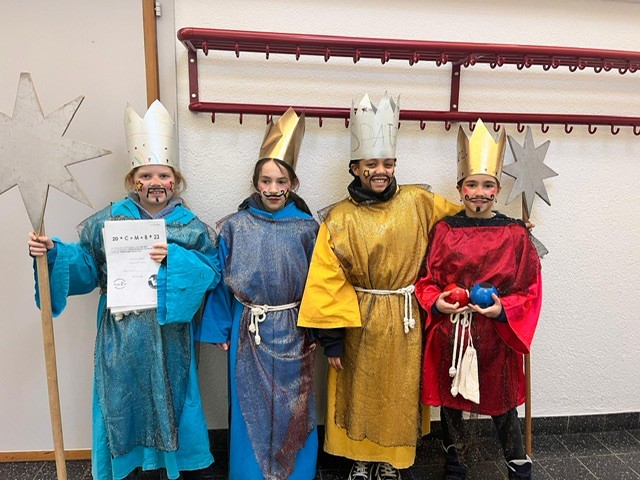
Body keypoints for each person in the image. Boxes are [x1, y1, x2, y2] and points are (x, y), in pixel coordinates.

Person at [27, 100, 219, 480]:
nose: (155, 183)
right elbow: (87, 266)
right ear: (134, 180)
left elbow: (211, 272)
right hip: (121, 336)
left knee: (172, 398)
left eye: (163, 175)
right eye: (146, 175)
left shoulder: (190, 226)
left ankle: (169, 465)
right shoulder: (110, 219)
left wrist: (177, 259)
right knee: (121, 400)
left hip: (169, 338)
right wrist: (54, 254)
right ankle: (129, 467)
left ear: (175, 181)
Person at [298, 92, 460, 480]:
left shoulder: (419, 202)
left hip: (405, 319)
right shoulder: (340, 218)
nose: (380, 171)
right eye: (371, 164)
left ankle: (391, 459)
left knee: (398, 390)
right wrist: (332, 340)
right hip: (358, 319)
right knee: (358, 388)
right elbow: (326, 279)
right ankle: (359, 457)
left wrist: (503, 228)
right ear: (355, 168)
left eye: (387, 163)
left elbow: (462, 227)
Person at [414, 119, 542, 480]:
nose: (479, 192)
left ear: (497, 189)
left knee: (502, 402)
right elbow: (426, 280)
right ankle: (455, 461)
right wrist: (437, 302)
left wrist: (503, 308)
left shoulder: (514, 234)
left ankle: (517, 462)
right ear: (460, 188)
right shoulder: (444, 230)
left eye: (488, 185)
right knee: (451, 401)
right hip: (452, 333)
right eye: (472, 184)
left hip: (495, 337)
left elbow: (529, 288)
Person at [196, 107, 319, 480]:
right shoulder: (235, 226)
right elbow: (220, 278)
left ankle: (297, 473)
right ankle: (248, 472)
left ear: (293, 183)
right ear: (255, 183)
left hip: (296, 325)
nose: (273, 188)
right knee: (249, 401)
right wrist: (220, 327)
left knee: (295, 401)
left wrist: (319, 326)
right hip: (248, 326)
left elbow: (320, 282)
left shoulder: (308, 228)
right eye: (266, 180)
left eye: (281, 180)